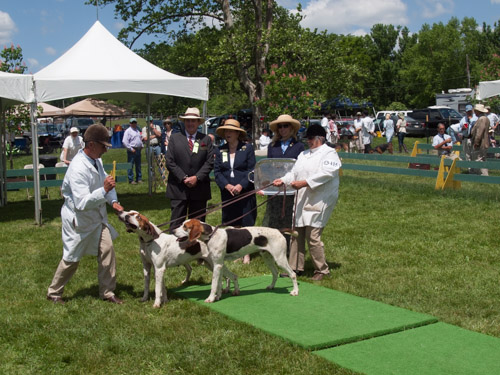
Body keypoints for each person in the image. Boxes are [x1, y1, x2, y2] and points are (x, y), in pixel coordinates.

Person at [47, 124, 124, 305]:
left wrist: (113, 201)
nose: (106, 149)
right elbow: (82, 203)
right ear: (91, 145)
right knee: (72, 258)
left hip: (97, 218)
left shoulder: (96, 161)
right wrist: (104, 191)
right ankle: (54, 292)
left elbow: (106, 183)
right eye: (104, 145)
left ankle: (107, 291)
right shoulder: (78, 168)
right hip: (79, 220)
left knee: (107, 250)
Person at [273, 124, 341, 281]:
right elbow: (294, 173)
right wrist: (283, 180)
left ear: (320, 138)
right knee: (297, 233)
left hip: (320, 198)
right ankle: (295, 267)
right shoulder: (303, 155)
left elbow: (327, 174)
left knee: (313, 235)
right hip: (303, 197)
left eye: (311, 139)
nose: (308, 141)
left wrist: (304, 183)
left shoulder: (329, 154)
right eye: (307, 139)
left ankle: (322, 270)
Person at [214, 119, 256, 264]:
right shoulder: (220, 149)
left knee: (246, 221)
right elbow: (217, 172)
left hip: (244, 190)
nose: (228, 133)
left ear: (238, 133)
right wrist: (226, 185)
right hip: (228, 191)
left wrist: (241, 185)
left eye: (231, 131)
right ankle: (237, 251)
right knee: (233, 222)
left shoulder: (247, 148)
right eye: (226, 131)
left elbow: (252, 170)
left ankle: (247, 253)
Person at [165, 107, 214, 231]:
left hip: (199, 189)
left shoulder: (205, 139)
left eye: (193, 121)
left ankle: (196, 248)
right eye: (187, 121)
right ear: (184, 122)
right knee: (176, 225)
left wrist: (197, 177)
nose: (190, 123)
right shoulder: (175, 138)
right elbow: (169, 161)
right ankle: (176, 249)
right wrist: (183, 177)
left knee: (197, 226)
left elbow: (209, 162)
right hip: (178, 188)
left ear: (198, 123)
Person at [263, 114, 305, 256]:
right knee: (273, 217)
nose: (282, 129)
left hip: (291, 188)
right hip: (275, 187)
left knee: (288, 218)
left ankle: (288, 249)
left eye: (285, 126)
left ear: (292, 128)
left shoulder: (299, 146)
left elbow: (300, 168)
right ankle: (272, 248)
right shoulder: (272, 146)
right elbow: (268, 167)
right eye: (279, 126)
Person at [470, 104, 490, 176]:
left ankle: (483, 175)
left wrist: (476, 142)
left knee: (479, 159)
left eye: (475, 111)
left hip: (481, 143)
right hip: (485, 142)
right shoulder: (486, 118)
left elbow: (479, 132)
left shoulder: (482, 119)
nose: (474, 112)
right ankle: (483, 174)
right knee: (483, 159)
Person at [122, 118, 143, 184]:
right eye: (132, 123)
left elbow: (139, 139)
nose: (134, 124)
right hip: (132, 150)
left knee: (138, 165)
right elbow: (124, 141)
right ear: (130, 123)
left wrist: (142, 145)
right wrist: (131, 149)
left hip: (138, 149)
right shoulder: (128, 131)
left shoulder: (137, 130)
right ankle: (131, 179)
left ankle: (139, 178)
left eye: (135, 123)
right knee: (130, 165)